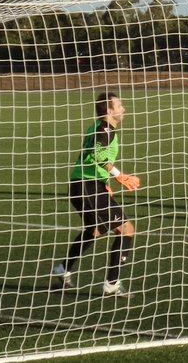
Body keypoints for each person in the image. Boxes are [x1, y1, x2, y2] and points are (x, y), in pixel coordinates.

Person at [52, 92, 140, 297]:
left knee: (96, 229)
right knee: (126, 230)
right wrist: (119, 175)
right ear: (109, 111)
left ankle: (63, 268)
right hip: (88, 187)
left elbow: (93, 157)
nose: (123, 109)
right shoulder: (106, 129)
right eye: (119, 106)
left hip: (83, 185)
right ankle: (112, 283)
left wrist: (104, 182)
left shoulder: (97, 127)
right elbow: (99, 156)